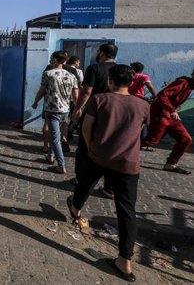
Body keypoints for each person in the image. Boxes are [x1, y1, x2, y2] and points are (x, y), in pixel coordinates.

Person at [67, 65, 150, 282]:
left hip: (99, 155)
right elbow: (144, 131)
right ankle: (125, 260)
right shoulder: (143, 105)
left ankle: (75, 210)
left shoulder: (99, 100)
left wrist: (91, 147)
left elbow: (86, 128)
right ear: (131, 83)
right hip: (128, 163)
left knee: (84, 184)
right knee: (126, 209)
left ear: (111, 80)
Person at [71, 43, 118, 197]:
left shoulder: (94, 68)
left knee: (85, 147)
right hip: (113, 115)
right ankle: (110, 187)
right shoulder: (120, 70)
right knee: (110, 149)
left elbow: (87, 91)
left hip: (94, 113)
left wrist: (78, 108)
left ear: (102, 53)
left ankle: (81, 180)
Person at [32, 50, 79, 174]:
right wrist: (77, 109)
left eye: (52, 58)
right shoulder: (72, 76)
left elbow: (42, 91)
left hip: (52, 110)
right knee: (56, 134)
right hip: (65, 110)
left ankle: (61, 165)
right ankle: (50, 156)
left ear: (54, 60)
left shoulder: (48, 74)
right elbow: (75, 96)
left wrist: (35, 102)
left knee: (55, 138)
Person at [141, 68, 194, 174]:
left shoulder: (190, 87)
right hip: (161, 114)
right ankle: (120, 150)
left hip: (171, 116)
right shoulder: (183, 82)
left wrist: (174, 110)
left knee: (185, 139)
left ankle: (171, 164)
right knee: (152, 141)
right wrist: (172, 110)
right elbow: (163, 94)